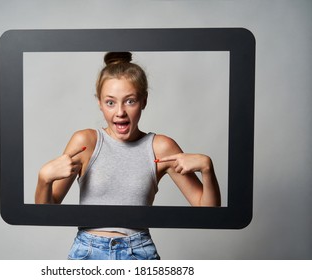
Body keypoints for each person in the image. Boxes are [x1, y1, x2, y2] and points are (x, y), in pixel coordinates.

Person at [35, 52, 221, 260]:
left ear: (144, 101)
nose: (120, 112)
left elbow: (209, 215)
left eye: (130, 101)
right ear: (99, 103)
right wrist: (44, 179)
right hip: (87, 251)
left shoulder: (160, 147)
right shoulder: (85, 143)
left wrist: (207, 169)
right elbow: (45, 215)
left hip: (138, 251)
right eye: (110, 102)